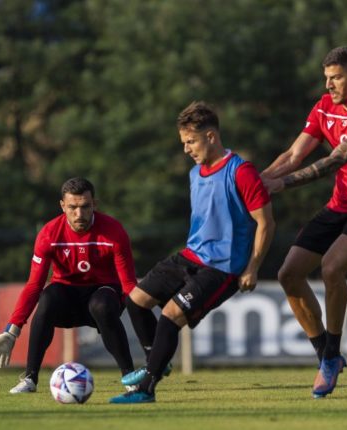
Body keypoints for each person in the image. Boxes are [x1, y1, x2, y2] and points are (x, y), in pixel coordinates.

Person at [109, 101, 275, 404]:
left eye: (191, 141)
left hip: (222, 268)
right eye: (183, 142)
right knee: (135, 301)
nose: (186, 149)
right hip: (189, 256)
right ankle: (156, 361)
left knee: (170, 316)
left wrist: (252, 267)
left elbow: (266, 223)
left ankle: (147, 387)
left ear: (211, 136)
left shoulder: (242, 172)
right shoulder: (195, 173)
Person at [260, 46, 347, 398]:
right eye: (326, 78)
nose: (329, 84)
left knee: (332, 269)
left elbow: (335, 161)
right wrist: (256, 183)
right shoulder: (323, 106)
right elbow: (293, 155)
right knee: (288, 274)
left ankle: (332, 354)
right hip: (339, 205)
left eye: (335, 78)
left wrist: (283, 184)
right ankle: (326, 355)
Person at [0, 177, 137, 393]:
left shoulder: (114, 231)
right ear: (62, 206)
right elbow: (34, 285)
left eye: (85, 207)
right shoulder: (49, 234)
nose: (79, 214)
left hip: (104, 296)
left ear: (95, 204)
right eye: (72, 207)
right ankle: (30, 379)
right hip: (67, 300)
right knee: (47, 298)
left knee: (101, 304)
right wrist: (12, 331)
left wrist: (145, 322)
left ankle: (130, 378)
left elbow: (128, 284)